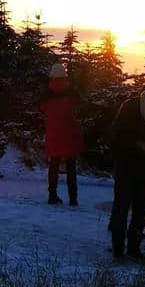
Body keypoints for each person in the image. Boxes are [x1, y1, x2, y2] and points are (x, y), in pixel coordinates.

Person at [110, 87, 145, 263]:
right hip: (125, 165)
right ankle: (118, 250)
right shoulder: (130, 107)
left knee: (140, 211)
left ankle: (134, 249)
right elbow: (115, 135)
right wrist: (137, 144)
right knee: (121, 208)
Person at [40, 63, 84, 206]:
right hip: (69, 131)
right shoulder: (71, 91)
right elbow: (80, 104)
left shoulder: (47, 93)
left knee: (54, 164)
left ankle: (52, 195)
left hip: (53, 132)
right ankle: (73, 198)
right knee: (71, 166)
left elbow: (41, 107)